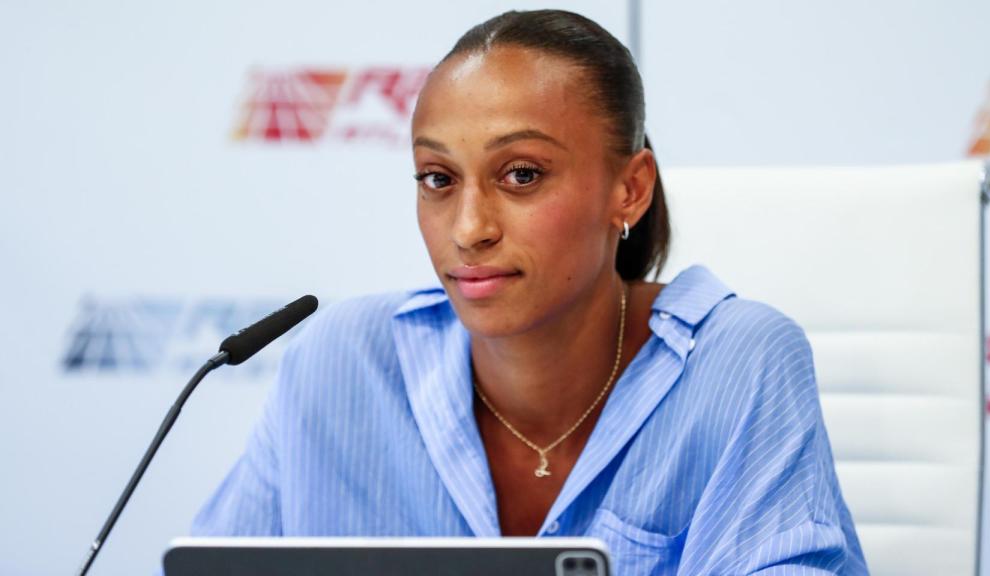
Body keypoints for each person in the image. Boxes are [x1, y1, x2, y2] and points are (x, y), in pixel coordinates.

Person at [192, 9, 868, 575]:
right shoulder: (341, 360)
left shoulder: (740, 362)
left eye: (520, 175)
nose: (469, 229)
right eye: (437, 179)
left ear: (629, 188)